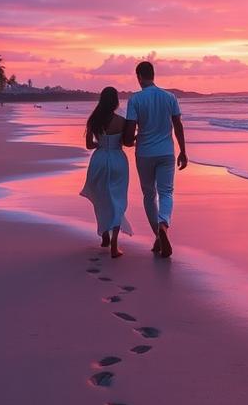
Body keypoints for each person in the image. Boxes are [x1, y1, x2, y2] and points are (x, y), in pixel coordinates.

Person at [123, 61, 187, 258]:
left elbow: (129, 132)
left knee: (149, 195)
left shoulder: (135, 100)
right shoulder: (170, 97)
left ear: (139, 77)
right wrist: (183, 151)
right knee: (166, 192)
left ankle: (158, 235)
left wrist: (129, 140)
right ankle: (163, 225)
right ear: (153, 75)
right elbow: (178, 125)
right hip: (167, 152)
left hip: (144, 153)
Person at [80, 86, 131, 258]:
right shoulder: (121, 121)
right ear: (116, 101)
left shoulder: (94, 120)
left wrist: (101, 144)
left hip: (99, 159)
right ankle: (115, 242)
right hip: (118, 159)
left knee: (101, 197)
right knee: (118, 199)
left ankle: (104, 236)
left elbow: (88, 145)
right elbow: (127, 142)